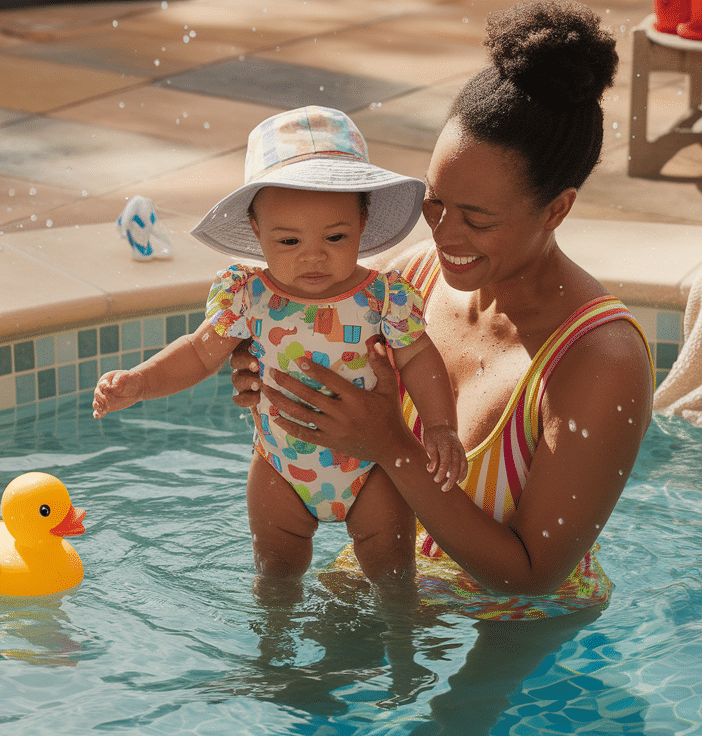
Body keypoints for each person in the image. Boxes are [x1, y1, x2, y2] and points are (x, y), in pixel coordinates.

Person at [231, 0, 653, 617]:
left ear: (557, 210)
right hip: (392, 574)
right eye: (435, 203)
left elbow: (531, 576)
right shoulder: (410, 283)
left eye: (478, 220)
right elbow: (334, 429)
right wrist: (273, 377)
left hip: (518, 630)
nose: (445, 236)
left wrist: (391, 445)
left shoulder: (599, 360)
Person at [93, 106, 468, 594]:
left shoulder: (384, 297)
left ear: (362, 220)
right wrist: (141, 382)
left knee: (393, 579)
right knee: (275, 577)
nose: (312, 255)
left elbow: (418, 358)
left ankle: (402, 655)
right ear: (255, 230)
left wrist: (440, 426)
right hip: (280, 468)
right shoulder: (247, 297)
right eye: (288, 240)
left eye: (334, 237)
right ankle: (272, 658)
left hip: (371, 468)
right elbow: (199, 352)